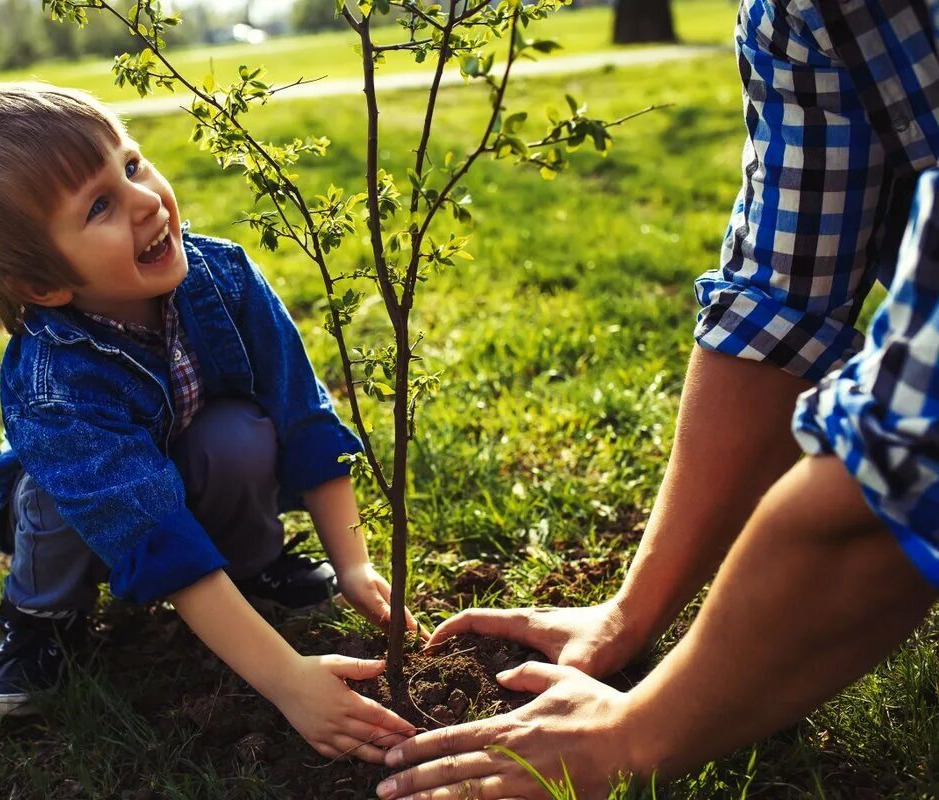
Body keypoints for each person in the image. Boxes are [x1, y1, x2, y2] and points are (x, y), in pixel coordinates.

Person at [376, 0, 939, 796]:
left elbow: (904, 467)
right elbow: (779, 303)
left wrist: (634, 736)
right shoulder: (795, 13)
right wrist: (629, 613)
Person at [0, 81, 419, 763]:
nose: (147, 200)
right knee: (54, 495)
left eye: (131, 164)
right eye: (99, 206)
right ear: (44, 286)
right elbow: (149, 527)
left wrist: (353, 564)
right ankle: (40, 621)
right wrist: (288, 680)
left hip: (191, 470)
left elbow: (303, 416)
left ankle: (250, 565)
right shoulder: (55, 386)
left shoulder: (225, 278)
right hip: (99, 520)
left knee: (240, 432)